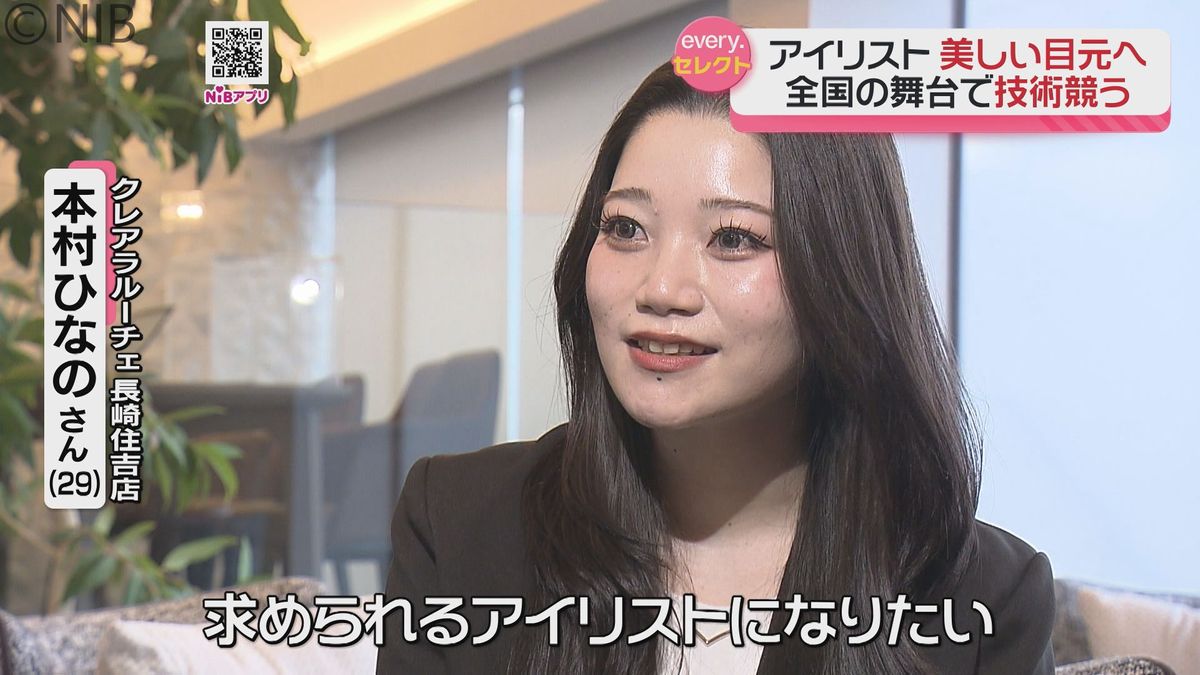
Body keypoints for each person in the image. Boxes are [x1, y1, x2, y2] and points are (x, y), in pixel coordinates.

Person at [376, 60, 1055, 675]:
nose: (661, 288)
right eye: (625, 228)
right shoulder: (459, 525)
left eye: (733, 238)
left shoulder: (985, 597)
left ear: (843, 275)